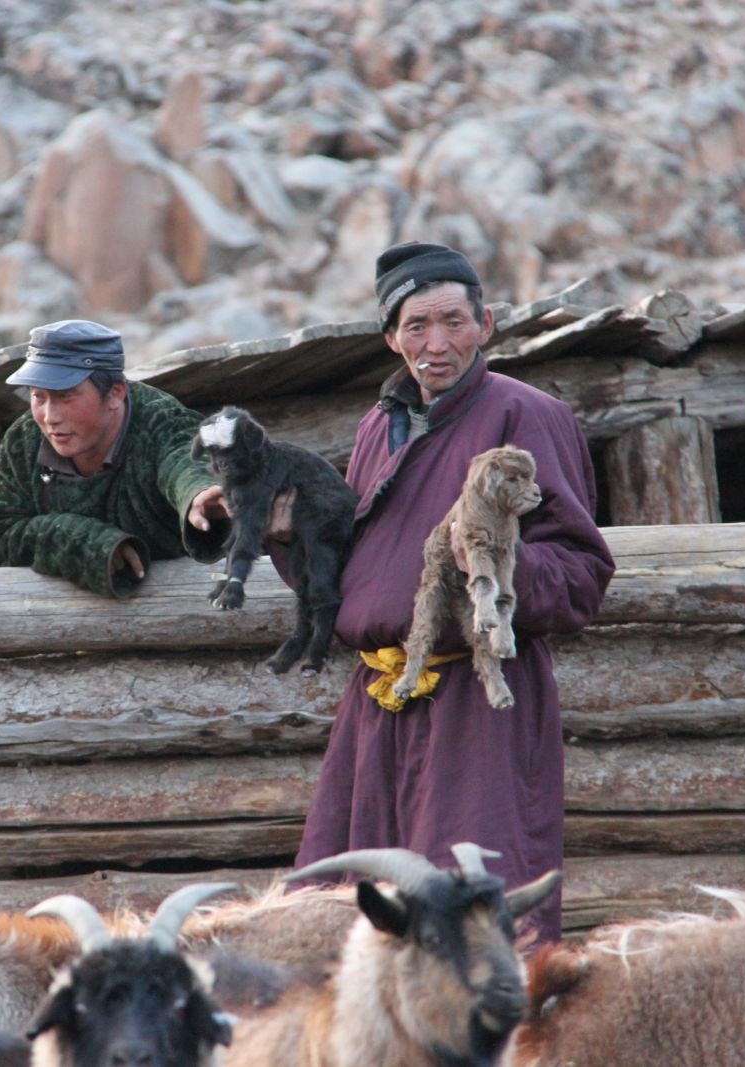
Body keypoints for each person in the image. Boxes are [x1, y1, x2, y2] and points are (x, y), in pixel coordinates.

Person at [289, 242, 615, 942]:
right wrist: (280, 526)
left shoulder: (526, 415)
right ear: (390, 337)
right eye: (416, 325)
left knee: (471, 918)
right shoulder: (380, 424)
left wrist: (501, 565)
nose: (436, 344)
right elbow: (362, 568)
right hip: (377, 705)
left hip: (478, 705)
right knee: (351, 915)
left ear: (487, 323)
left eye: (453, 322)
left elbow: (583, 575)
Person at [0, 318, 230, 596]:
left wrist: (198, 495)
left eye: (65, 396)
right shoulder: (24, 440)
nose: (50, 417)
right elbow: (1, 534)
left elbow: (183, 460)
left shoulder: (162, 422)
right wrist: (90, 543)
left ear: (115, 393)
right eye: (39, 397)